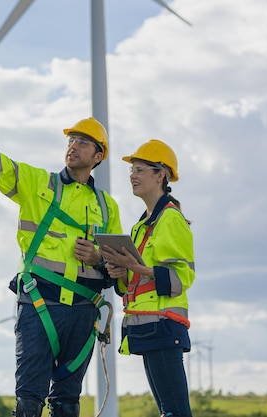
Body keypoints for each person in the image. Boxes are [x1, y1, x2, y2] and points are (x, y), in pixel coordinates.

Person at [0, 102, 122, 417]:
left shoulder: (107, 206)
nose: (73, 146)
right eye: (71, 140)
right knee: (29, 399)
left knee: (68, 401)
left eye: (83, 142)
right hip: (40, 305)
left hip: (84, 312)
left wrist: (98, 257)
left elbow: (118, 267)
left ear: (99, 156)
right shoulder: (38, 183)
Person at [100, 139, 195, 417]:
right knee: (169, 411)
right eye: (132, 170)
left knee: (175, 412)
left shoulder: (171, 219)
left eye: (140, 169)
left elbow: (181, 277)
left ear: (160, 175)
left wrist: (137, 268)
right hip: (148, 327)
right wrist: (120, 271)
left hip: (164, 327)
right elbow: (133, 283)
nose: (133, 176)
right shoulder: (141, 226)